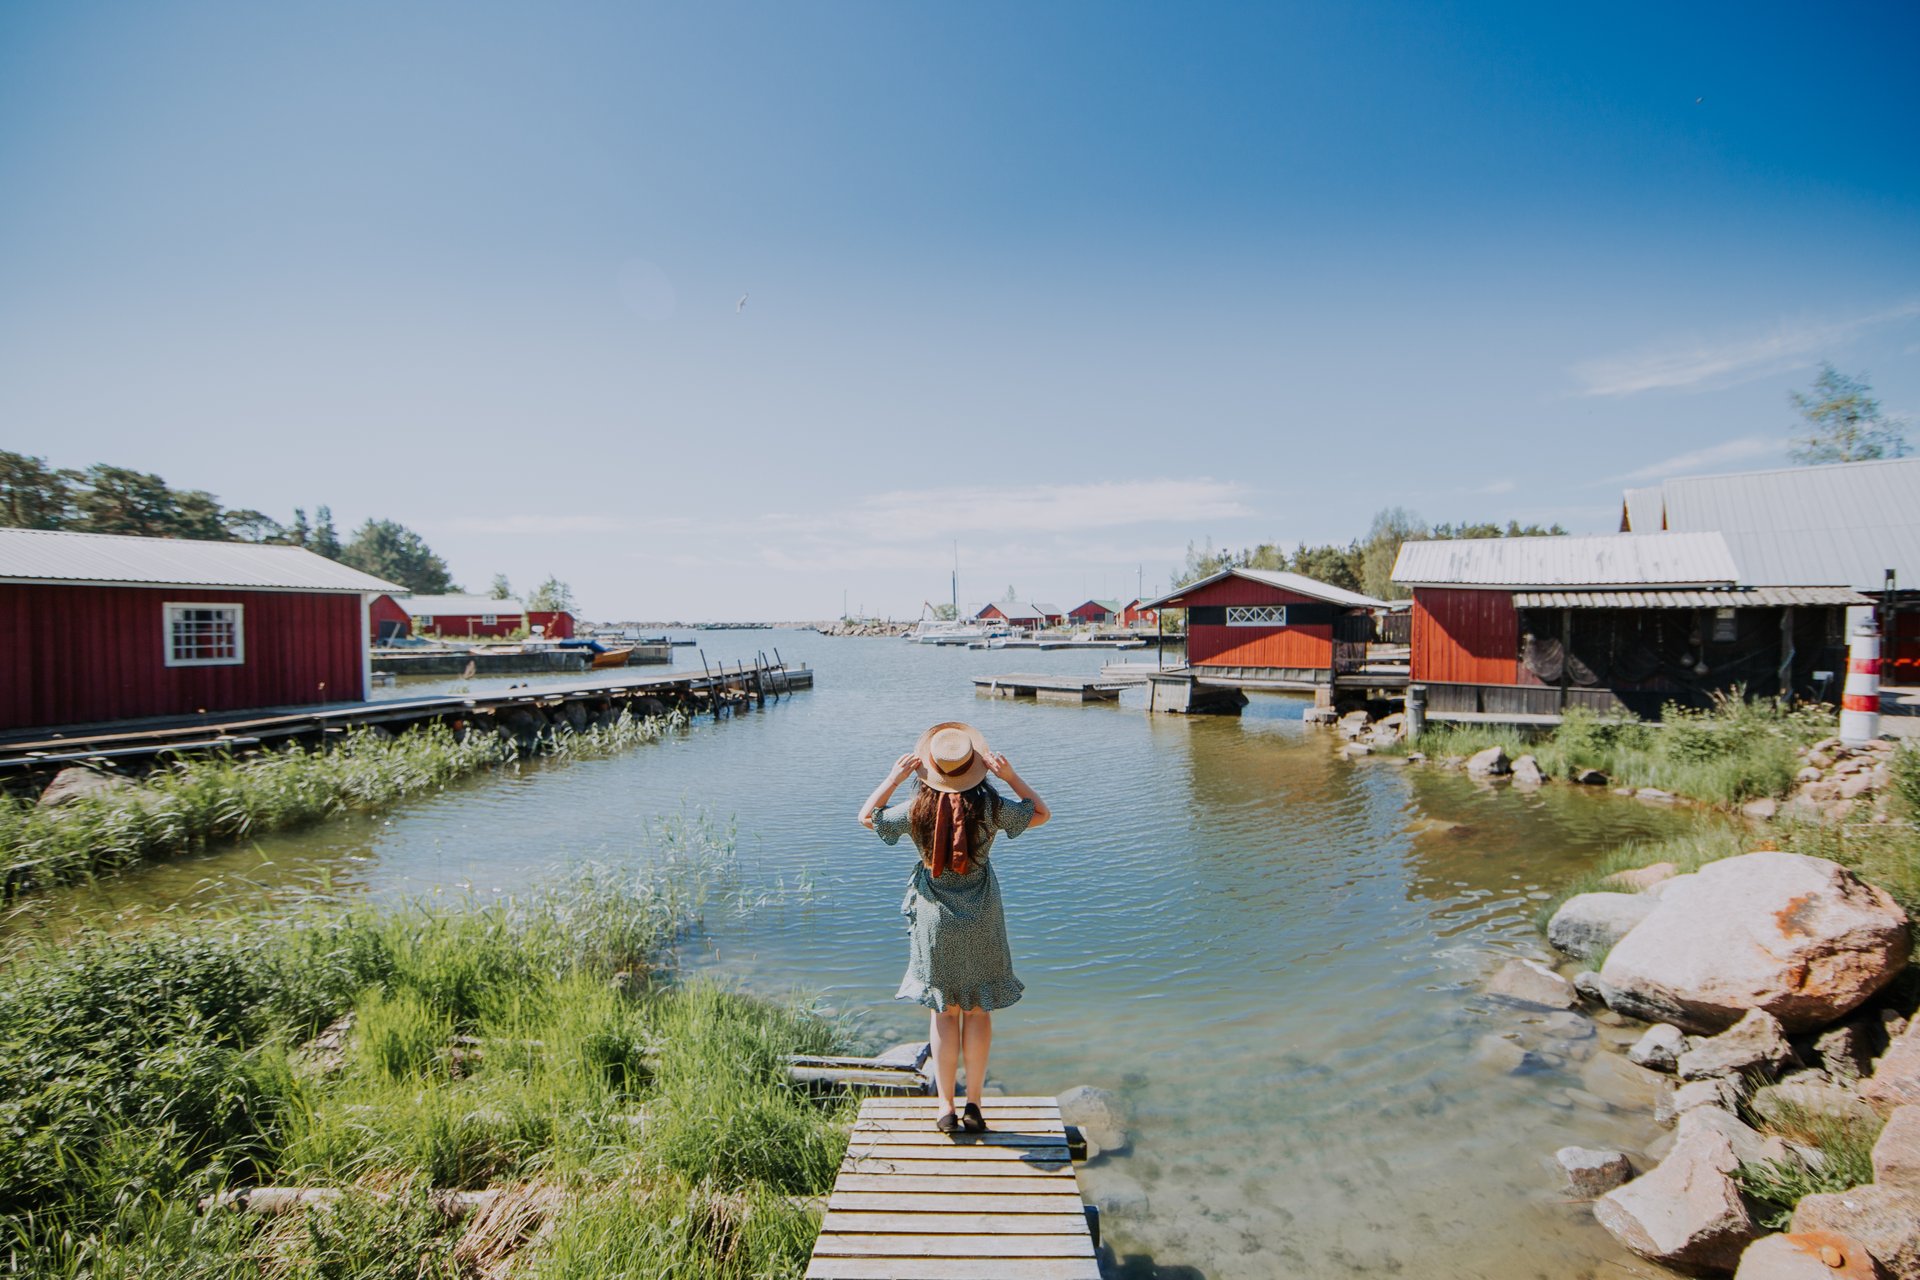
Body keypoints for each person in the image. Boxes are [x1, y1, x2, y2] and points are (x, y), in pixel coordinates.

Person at [857, 721, 1050, 1134]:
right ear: (974, 766)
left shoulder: (916, 810)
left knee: (945, 1013)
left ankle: (945, 1107)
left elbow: (866, 818)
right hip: (982, 915)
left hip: (935, 919)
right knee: (978, 1011)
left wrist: (894, 778)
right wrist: (1010, 776)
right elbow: (1041, 814)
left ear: (930, 768)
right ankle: (974, 1105)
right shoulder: (991, 807)